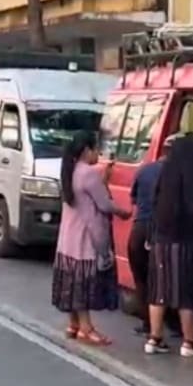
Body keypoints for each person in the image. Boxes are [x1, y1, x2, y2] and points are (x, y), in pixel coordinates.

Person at [146, 133, 193, 357]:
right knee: (186, 293)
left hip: (161, 240)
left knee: (159, 291)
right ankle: (189, 343)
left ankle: (154, 339)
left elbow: (154, 205)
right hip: (188, 243)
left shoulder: (166, 174)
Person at [52, 132, 128, 346]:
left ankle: (73, 324)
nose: (99, 153)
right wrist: (123, 212)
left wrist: (102, 179)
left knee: (71, 280)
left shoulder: (71, 170)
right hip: (85, 235)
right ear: (86, 150)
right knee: (83, 283)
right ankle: (87, 328)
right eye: (96, 149)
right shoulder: (89, 173)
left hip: (68, 236)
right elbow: (103, 205)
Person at [126, 135, 174, 332]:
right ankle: (170, 325)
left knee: (142, 278)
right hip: (161, 232)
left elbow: (134, 199)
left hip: (139, 230)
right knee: (164, 279)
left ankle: (147, 323)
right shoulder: (177, 174)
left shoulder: (144, 169)